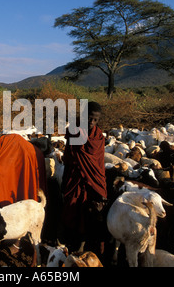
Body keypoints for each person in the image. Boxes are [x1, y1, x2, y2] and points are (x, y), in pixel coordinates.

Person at [60, 101, 107, 253]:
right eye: (90, 118)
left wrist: (96, 179)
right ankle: (69, 240)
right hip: (75, 176)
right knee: (72, 208)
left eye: (96, 119)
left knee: (90, 210)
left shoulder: (98, 136)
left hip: (92, 179)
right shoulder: (74, 130)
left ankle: (86, 242)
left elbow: (98, 161)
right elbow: (68, 156)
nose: (92, 122)